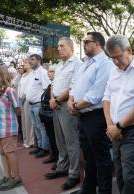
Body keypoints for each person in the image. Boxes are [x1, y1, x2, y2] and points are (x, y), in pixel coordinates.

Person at [68, 32, 114, 194]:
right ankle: (88, 189)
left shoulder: (105, 64)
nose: (84, 44)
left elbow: (96, 94)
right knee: (89, 157)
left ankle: (104, 190)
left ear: (97, 43)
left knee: (101, 158)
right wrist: (71, 101)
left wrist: (75, 106)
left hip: (96, 116)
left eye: (86, 41)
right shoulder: (85, 63)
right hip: (83, 115)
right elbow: (74, 85)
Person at [103, 35, 134, 194]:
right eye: (112, 58)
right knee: (119, 173)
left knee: (131, 176)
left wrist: (120, 126)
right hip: (114, 130)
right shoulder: (113, 72)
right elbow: (106, 98)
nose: (115, 62)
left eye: (118, 56)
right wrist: (110, 125)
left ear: (129, 50)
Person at [46, 37, 82, 191]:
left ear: (70, 47)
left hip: (67, 107)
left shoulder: (78, 64)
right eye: (58, 46)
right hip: (56, 106)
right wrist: (52, 99)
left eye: (61, 46)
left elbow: (74, 86)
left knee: (71, 142)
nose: (58, 48)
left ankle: (74, 174)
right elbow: (54, 85)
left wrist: (58, 100)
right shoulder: (59, 65)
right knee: (60, 140)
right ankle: (62, 167)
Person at [0, 65, 22, 191]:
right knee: (2, 153)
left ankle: (16, 177)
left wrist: (11, 120)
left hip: (8, 128)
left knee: (10, 153)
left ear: (2, 75)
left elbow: (18, 109)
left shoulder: (9, 90)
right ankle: (7, 176)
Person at [26, 54, 50, 158]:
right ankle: (39, 146)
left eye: (32, 59)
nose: (30, 62)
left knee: (41, 127)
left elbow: (47, 89)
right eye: (29, 60)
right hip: (31, 105)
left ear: (39, 60)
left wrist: (44, 104)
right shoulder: (32, 73)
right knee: (36, 127)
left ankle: (44, 148)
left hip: (38, 105)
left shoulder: (43, 72)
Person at [40, 65, 59, 167]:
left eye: (51, 71)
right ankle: (54, 155)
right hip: (48, 115)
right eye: (48, 71)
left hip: (53, 114)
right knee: (51, 137)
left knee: (56, 138)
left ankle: (58, 158)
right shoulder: (50, 84)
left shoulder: (57, 85)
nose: (49, 73)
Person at [18, 59, 34, 148]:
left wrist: (24, 95)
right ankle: (25, 139)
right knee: (23, 120)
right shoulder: (23, 74)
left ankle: (30, 141)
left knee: (28, 121)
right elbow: (20, 87)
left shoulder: (32, 74)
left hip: (27, 99)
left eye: (25, 63)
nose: (24, 64)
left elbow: (29, 87)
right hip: (21, 99)